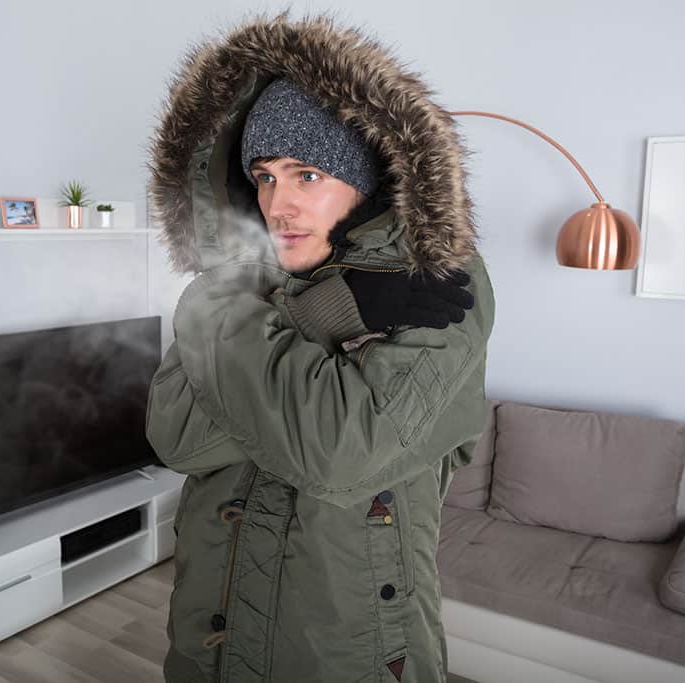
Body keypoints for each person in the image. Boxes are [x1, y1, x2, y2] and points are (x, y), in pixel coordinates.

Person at [145, 12, 495, 683]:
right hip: (209, 647)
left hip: (349, 652)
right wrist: (327, 313)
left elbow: (338, 453)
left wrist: (234, 335)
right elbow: (176, 439)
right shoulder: (232, 280)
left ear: (363, 178)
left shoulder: (439, 279)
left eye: (307, 174)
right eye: (265, 175)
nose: (278, 203)